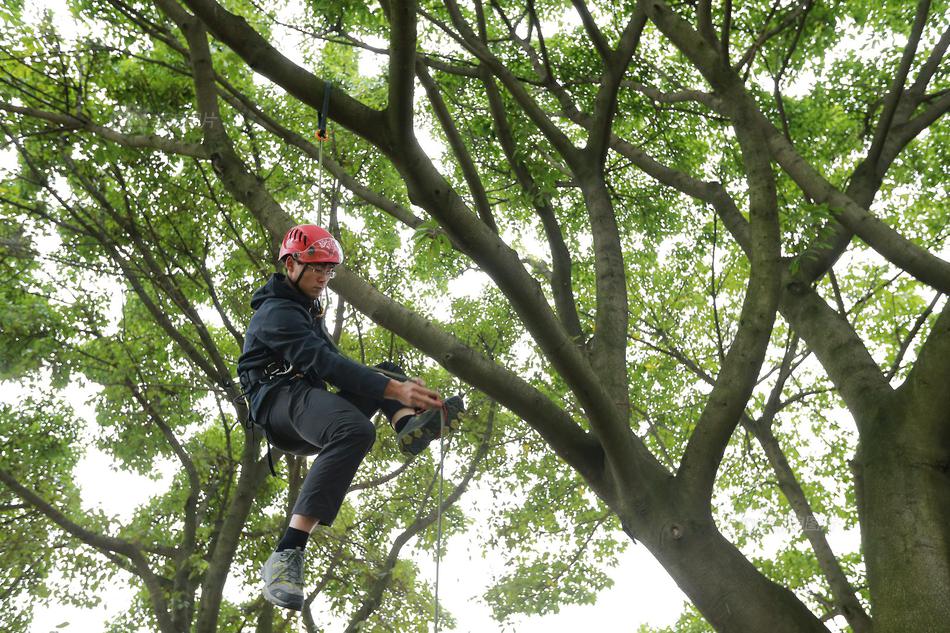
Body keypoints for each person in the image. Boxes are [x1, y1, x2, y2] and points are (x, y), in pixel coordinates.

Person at [237, 223, 464, 611]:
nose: (324, 277)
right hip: (279, 404)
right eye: (316, 268)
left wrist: (404, 387)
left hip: (308, 407)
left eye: (329, 270)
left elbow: (341, 364)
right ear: (291, 265)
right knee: (356, 427)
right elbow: (323, 362)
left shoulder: (308, 312)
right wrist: (395, 390)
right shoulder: (276, 313)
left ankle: (408, 423)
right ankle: (287, 554)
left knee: (386, 371)